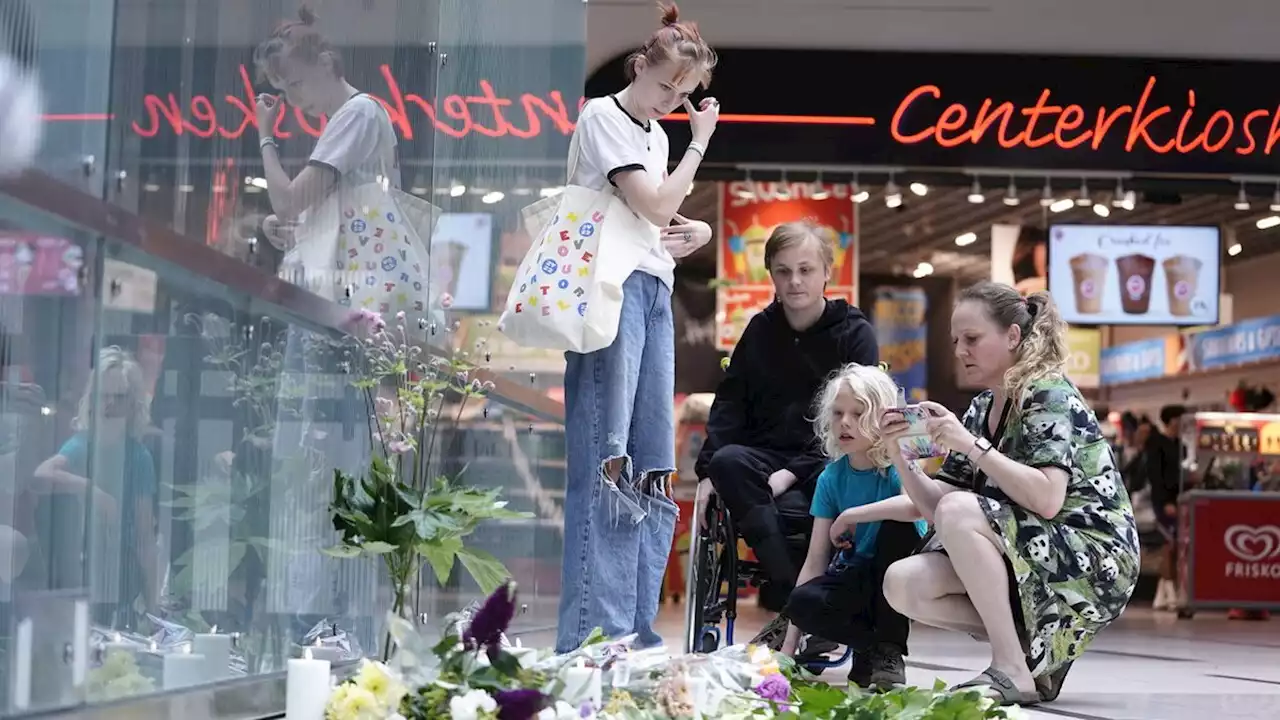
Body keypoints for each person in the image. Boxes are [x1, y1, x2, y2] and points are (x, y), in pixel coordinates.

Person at [878, 282, 1139, 706]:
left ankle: (1012, 668)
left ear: (1013, 337)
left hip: (1096, 555)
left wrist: (970, 445)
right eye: (956, 341)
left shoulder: (1047, 393)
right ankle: (1033, 652)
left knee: (962, 511)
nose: (961, 350)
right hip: (1031, 549)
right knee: (902, 584)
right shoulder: (982, 407)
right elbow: (937, 505)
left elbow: (1048, 499)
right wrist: (899, 454)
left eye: (973, 339)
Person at [555, 2, 718, 653]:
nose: (671, 103)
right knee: (607, 460)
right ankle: (592, 636)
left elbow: (658, 219)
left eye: (683, 96)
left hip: (651, 291)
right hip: (608, 296)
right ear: (640, 65)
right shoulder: (603, 116)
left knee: (651, 468)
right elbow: (653, 201)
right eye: (665, 87)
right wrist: (700, 141)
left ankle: (632, 628)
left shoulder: (654, 135)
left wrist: (696, 232)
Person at [695, 220, 878, 647]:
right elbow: (730, 405)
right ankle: (803, 599)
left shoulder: (854, 333)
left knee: (827, 481)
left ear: (826, 273)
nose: (794, 281)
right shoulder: (760, 331)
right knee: (726, 463)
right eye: (783, 271)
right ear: (771, 274)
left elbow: (857, 421)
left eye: (805, 269)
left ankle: (800, 608)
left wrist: (793, 473)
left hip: (829, 459)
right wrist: (706, 472)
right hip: (761, 460)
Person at [779, 364, 926, 690]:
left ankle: (888, 651)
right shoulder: (831, 478)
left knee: (895, 527)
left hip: (899, 579)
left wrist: (851, 516)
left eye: (858, 414)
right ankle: (868, 647)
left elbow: (916, 506)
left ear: (882, 418)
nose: (845, 422)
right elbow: (815, 560)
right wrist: (788, 649)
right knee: (803, 601)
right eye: (838, 413)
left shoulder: (897, 467)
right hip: (855, 579)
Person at [253, 6, 400, 256]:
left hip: (358, 281)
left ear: (325, 63)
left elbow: (287, 204)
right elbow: (331, 209)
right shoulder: (354, 115)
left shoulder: (357, 113)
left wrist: (265, 136)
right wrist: (292, 224)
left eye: (296, 84)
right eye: (283, 91)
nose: (292, 99)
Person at [35, 347, 158, 629]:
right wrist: (91, 490)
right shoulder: (82, 445)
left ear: (132, 404)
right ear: (93, 399)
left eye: (120, 397)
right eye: (105, 395)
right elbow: (42, 474)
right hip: (78, 562)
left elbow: (144, 538)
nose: (110, 405)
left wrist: (154, 610)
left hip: (121, 572)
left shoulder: (139, 457)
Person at [1148, 405, 1185, 612]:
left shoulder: (1181, 444)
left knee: (1175, 546)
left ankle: (1162, 594)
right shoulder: (1157, 444)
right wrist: (1165, 502)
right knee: (1168, 545)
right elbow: (1156, 477)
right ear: (1171, 420)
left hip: (1179, 501)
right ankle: (1170, 592)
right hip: (1163, 503)